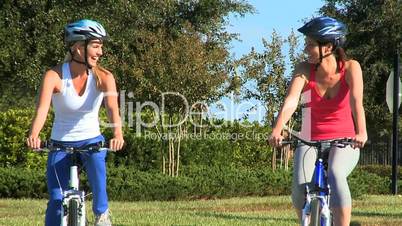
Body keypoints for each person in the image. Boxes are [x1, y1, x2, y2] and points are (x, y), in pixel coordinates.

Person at [268, 16, 367, 226]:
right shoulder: (304, 69)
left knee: (336, 173)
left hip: (345, 140)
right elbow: (291, 101)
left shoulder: (351, 68)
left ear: (328, 46)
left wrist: (361, 132)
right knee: (299, 187)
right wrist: (277, 129)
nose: (306, 49)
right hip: (309, 139)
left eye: (310, 45)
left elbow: (356, 101)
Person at [26, 19, 124, 226]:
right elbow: (42, 109)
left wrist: (118, 135)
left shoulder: (105, 77)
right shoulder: (54, 76)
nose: (100, 52)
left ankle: (102, 215)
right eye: (96, 46)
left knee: (98, 180)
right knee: (56, 199)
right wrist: (34, 135)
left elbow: (112, 108)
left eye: (101, 47)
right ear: (79, 47)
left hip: (92, 142)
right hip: (59, 143)